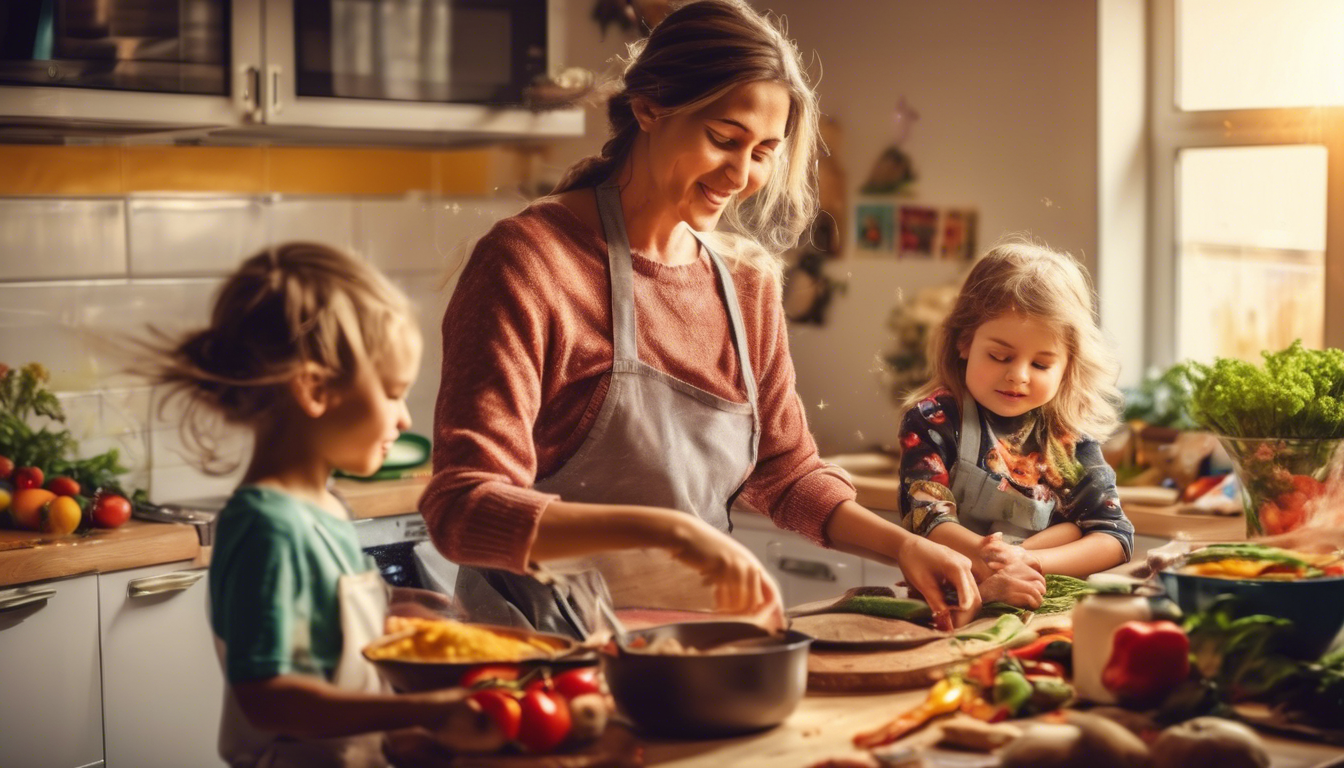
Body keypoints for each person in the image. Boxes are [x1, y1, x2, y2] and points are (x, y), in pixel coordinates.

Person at [420, 0, 980, 639]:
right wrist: (671, 534)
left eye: (765, 151)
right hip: (539, 649)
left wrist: (904, 546)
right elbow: (462, 508)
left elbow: (785, 473)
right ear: (650, 108)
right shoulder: (530, 262)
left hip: (693, 646)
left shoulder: (744, 281)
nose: (742, 176)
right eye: (724, 139)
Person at [150, 243, 498, 768]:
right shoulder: (267, 525)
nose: (405, 420)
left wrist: (410, 617)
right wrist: (423, 711)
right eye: (391, 392)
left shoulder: (323, 507)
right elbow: (271, 700)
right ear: (315, 389)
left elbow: (328, 642)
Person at [898, 239, 1134, 608]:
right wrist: (987, 556)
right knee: (1069, 528)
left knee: (1076, 529)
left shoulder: (1070, 439)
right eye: (999, 355)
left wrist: (1030, 560)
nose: (1018, 376)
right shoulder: (935, 421)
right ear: (964, 341)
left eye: (1041, 364)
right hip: (952, 601)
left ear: (1068, 364)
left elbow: (1114, 537)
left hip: (1042, 607)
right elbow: (926, 517)